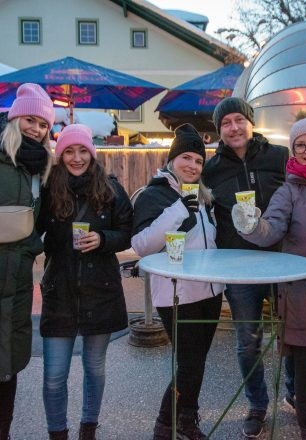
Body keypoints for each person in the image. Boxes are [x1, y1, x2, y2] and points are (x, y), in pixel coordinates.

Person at [231, 113, 306, 440]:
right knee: (304, 375)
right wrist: (251, 226)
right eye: (300, 145)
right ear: (293, 151)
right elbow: (270, 230)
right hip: (303, 293)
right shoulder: (288, 191)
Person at [37, 124, 133, 440]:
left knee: (95, 369)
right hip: (59, 291)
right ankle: (58, 433)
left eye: (83, 151)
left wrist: (103, 239)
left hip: (100, 291)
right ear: (60, 154)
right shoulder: (47, 190)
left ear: (92, 154)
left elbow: (126, 233)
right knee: (54, 376)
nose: (77, 158)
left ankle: (88, 428)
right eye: (69, 151)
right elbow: (32, 231)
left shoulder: (111, 190)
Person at [202, 97, 288, 438]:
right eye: (226, 123)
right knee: (247, 340)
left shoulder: (279, 157)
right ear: (219, 131)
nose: (234, 127)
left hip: (281, 261)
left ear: (251, 123)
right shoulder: (211, 169)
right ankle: (257, 404)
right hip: (238, 266)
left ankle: (294, 389)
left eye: (239, 120)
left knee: (291, 333)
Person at [131, 124, 224, 440]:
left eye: (198, 161)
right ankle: (164, 424)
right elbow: (142, 245)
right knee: (188, 365)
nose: (193, 166)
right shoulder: (154, 194)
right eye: (186, 157)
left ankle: (187, 420)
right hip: (176, 293)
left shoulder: (204, 197)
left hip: (210, 291)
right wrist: (178, 210)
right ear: (172, 160)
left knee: (196, 364)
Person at [0, 83, 55, 440]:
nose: (35, 129)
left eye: (43, 124)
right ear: (15, 119)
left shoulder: (43, 169)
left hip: (18, 281)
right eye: (29, 120)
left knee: (9, 367)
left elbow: (48, 220)